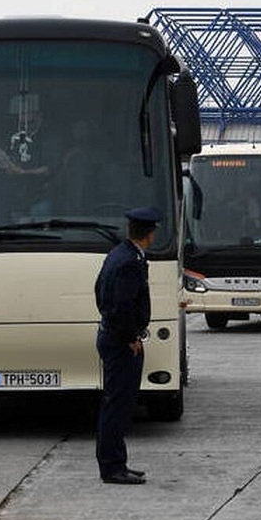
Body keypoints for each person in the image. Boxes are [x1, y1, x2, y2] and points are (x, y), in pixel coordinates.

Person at [94, 206, 161, 485]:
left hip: (111, 335)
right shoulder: (130, 262)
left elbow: (99, 292)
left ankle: (117, 462)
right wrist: (131, 337)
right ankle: (112, 467)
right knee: (117, 405)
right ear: (150, 234)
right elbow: (121, 305)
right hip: (121, 342)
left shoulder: (118, 254)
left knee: (118, 403)